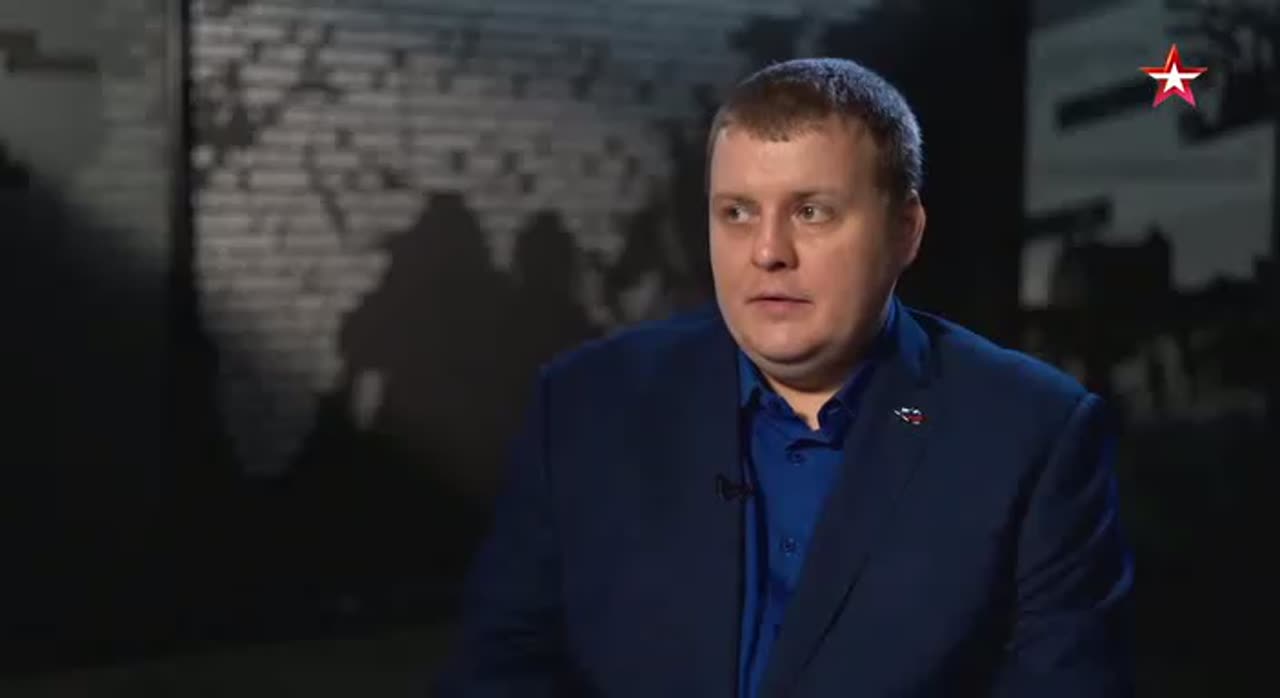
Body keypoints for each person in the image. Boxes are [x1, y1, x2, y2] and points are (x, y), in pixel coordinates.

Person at [435, 57, 1134, 698]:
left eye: (811, 211)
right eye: (737, 213)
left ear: (905, 231)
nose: (768, 252)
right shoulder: (584, 407)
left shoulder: (1031, 435)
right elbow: (498, 671)